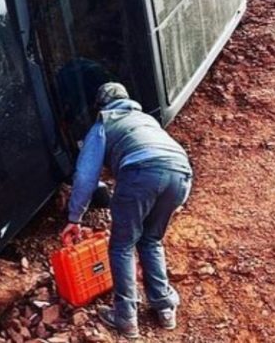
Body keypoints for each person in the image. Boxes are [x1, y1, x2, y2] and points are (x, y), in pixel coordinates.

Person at [62, 82, 193, 339]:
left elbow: (85, 177)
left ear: (100, 105)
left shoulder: (103, 123)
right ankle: (164, 307)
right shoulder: (146, 120)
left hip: (140, 173)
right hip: (181, 175)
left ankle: (126, 317)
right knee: (151, 239)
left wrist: (74, 217)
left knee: (122, 245)